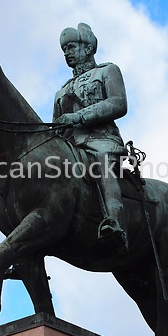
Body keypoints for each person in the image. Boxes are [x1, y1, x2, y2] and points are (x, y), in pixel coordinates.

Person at [53, 23, 129, 252]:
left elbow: (118, 103)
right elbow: (56, 127)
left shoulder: (107, 71)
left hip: (101, 141)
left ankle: (115, 221)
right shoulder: (61, 91)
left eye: (71, 47)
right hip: (72, 146)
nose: (66, 53)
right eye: (64, 49)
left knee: (100, 164)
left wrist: (78, 116)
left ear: (88, 48)